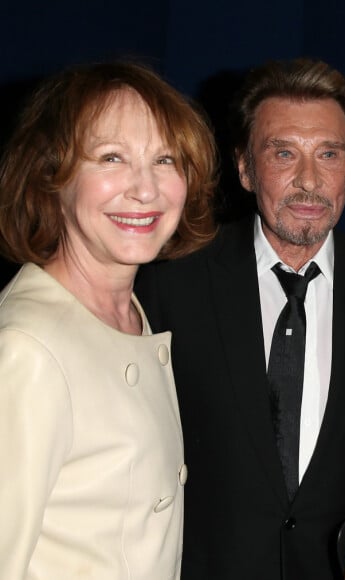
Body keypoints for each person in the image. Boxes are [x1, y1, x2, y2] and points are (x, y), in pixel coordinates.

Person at [136, 58, 345, 580]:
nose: (308, 180)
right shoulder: (168, 282)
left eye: (329, 154)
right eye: (283, 153)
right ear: (244, 168)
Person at [0, 61, 217, 579]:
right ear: (52, 177)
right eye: (111, 157)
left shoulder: (126, 312)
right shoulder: (27, 348)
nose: (145, 190)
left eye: (165, 159)